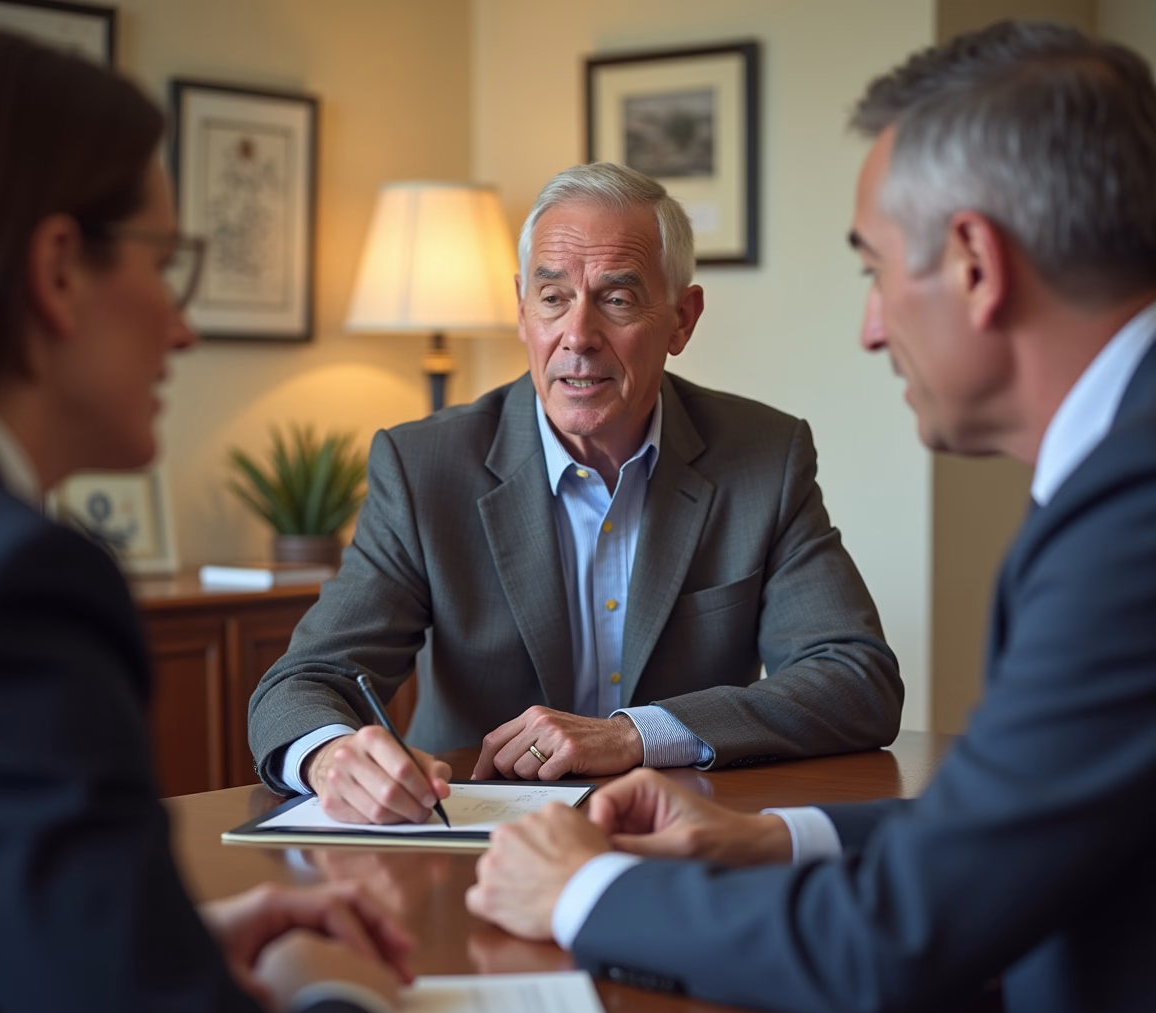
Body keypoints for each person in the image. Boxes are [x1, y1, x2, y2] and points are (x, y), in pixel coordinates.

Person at [465, 19, 1156, 1013]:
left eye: (874, 269)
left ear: (978, 266)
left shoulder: (1127, 522)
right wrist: (770, 834)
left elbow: (892, 945)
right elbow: (1021, 831)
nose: (872, 325)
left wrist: (578, 886)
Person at [0, 32, 418, 1013]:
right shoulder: (16, 594)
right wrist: (345, 995)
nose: (183, 327)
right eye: (169, 265)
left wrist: (171, 961)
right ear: (59, 271)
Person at [248, 162, 904, 825]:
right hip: (473, 840)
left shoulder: (763, 457)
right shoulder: (426, 468)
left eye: (617, 299)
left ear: (682, 319)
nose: (578, 337)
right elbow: (301, 683)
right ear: (522, 311)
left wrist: (635, 733)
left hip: (679, 836)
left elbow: (856, 679)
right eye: (554, 297)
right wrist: (332, 756)